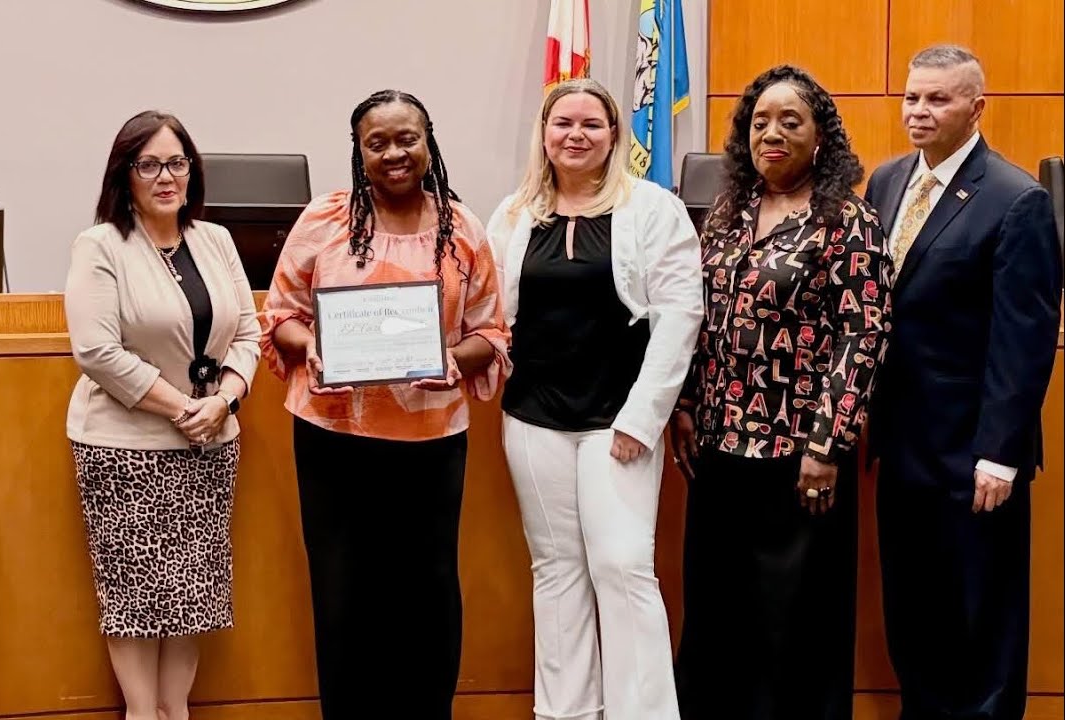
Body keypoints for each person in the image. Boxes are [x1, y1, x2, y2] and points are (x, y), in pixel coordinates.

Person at [259, 89, 509, 719]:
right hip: (334, 443)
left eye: (406, 139)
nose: (394, 153)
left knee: (427, 593)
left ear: (428, 143)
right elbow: (281, 316)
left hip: (430, 446)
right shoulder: (325, 221)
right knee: (343, 594)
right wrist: (312, 346)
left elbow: (491, 331)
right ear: (359, 151)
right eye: (377, 143)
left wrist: (454, 360)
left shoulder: (463, 228)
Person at [669, 65, 893, 720]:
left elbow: (864, 335)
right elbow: (699, 317)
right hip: (719, 452)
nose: (772, 133)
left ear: (820, 137)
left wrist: (827, 445)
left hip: (800, 460)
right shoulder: (728, 214)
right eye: (760, 121)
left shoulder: (846, 219)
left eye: (790, 121)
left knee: (794, 625)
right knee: (719, 616)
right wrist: (686, 404)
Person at [485, 78, 702, 720]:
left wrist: (644, 418)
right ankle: (566, 711)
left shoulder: (652, 208)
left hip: (618, 419)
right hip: (534, 416)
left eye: (591, 124)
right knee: (556, 570)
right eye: (563, 123)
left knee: (623, 566)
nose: (575, 135)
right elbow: (490, 310)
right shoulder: (514, 213)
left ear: (614, 135)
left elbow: (680, 316)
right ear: (544, 134)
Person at [866, 45, 1061, 720]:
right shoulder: (886, 182)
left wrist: (1000, 452)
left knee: (981, 625)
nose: (918, 111)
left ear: (976, 108)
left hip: (974, 456)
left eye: (937, 99)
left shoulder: (1016, 198)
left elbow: (1023, 339)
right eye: (912, 97)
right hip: (903, 448)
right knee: (914, 617)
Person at [64, 110, 261, 720]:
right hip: (124, 449)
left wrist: (223, 401)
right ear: (124, 174)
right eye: (148, 165)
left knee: (193, 595)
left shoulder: (215, 239)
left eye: (177, 162)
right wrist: (183, 407)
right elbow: (96, 350)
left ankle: (176, 709)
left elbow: (248, 334)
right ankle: (142, 713)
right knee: (135, 595)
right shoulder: (100, 245)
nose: (166, 177)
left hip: (210, 443)